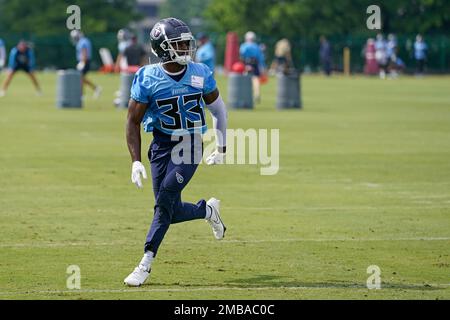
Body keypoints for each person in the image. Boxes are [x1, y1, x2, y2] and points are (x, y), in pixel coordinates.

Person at [123, 17, 228, 287]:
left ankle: (145, 262)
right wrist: (135, 161)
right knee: (168, 208)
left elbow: (218, 110)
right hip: (160, 145)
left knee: (164, 201)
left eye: (186, 43)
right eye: (179, 44)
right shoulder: (148, 78)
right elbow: (132, 121)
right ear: (162, 47)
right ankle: (207, 212)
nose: (185, 49)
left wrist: (222, 147)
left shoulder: (200, 73)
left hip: (190, 145)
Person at [70, 30, 102, 98]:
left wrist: (82, 62)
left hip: (84, 61)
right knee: (81, 78)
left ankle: (94, 89)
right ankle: (84, 92)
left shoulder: (82, 42)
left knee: (80, 78)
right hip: (84, 61)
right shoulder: (84, 41)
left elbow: (84, 52)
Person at [239, 31, 266, 103]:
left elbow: (241, 56)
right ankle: (257, 94)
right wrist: (262, 67)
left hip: (246, 63)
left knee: (244, 79)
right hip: (255, 64)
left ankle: (244, 96)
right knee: (256, 79)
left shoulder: (243, 46)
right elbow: (260, 58)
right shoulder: (256, 46)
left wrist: (245, 65)